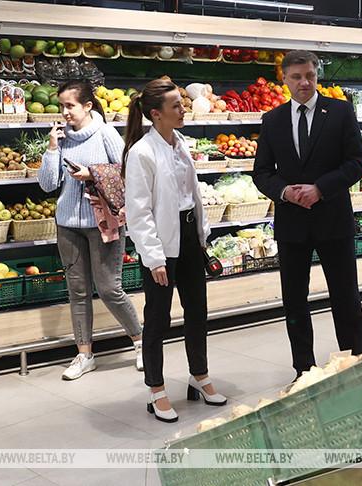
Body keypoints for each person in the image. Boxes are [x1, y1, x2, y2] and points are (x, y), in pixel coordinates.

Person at [252, 50, 362, 377]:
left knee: (345, 295)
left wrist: (320, 188)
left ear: (317, 76)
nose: (304, 82)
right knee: (294, 301)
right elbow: (262, 172)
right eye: (296, 77)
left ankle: (357, 362)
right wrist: (285, 192)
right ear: (284, 79)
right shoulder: (272, 120)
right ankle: (303, 368)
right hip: (292, 224)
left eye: (310, 76)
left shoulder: (341, 112)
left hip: (333, 219)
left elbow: (356, 163)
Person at [123, 79, 227, 423]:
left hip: (189, 237)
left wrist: (201, 235)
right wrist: (153, 257)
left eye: (182, 104)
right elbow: (139, 212)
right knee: (158, 319)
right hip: (162, 243)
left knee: (198, 311)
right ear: (156, 114)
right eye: (176, 106)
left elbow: (191, 195)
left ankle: (200, 376)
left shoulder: (180, 143)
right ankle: (156, 389)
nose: (183, 110)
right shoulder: (142, 153)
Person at [38, 80, 143, 381]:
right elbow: (47, 184)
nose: (64, 112)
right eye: (61, 106)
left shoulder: (105, 134)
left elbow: (129, 172)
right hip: (68, 225)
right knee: (78, 291)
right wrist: (52, 148)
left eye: (69, 106)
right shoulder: (61, 138)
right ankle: (85, 355)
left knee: (109, 288)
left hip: (103, 224)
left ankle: (141, 342)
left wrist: (92, 174)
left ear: (87, 105)